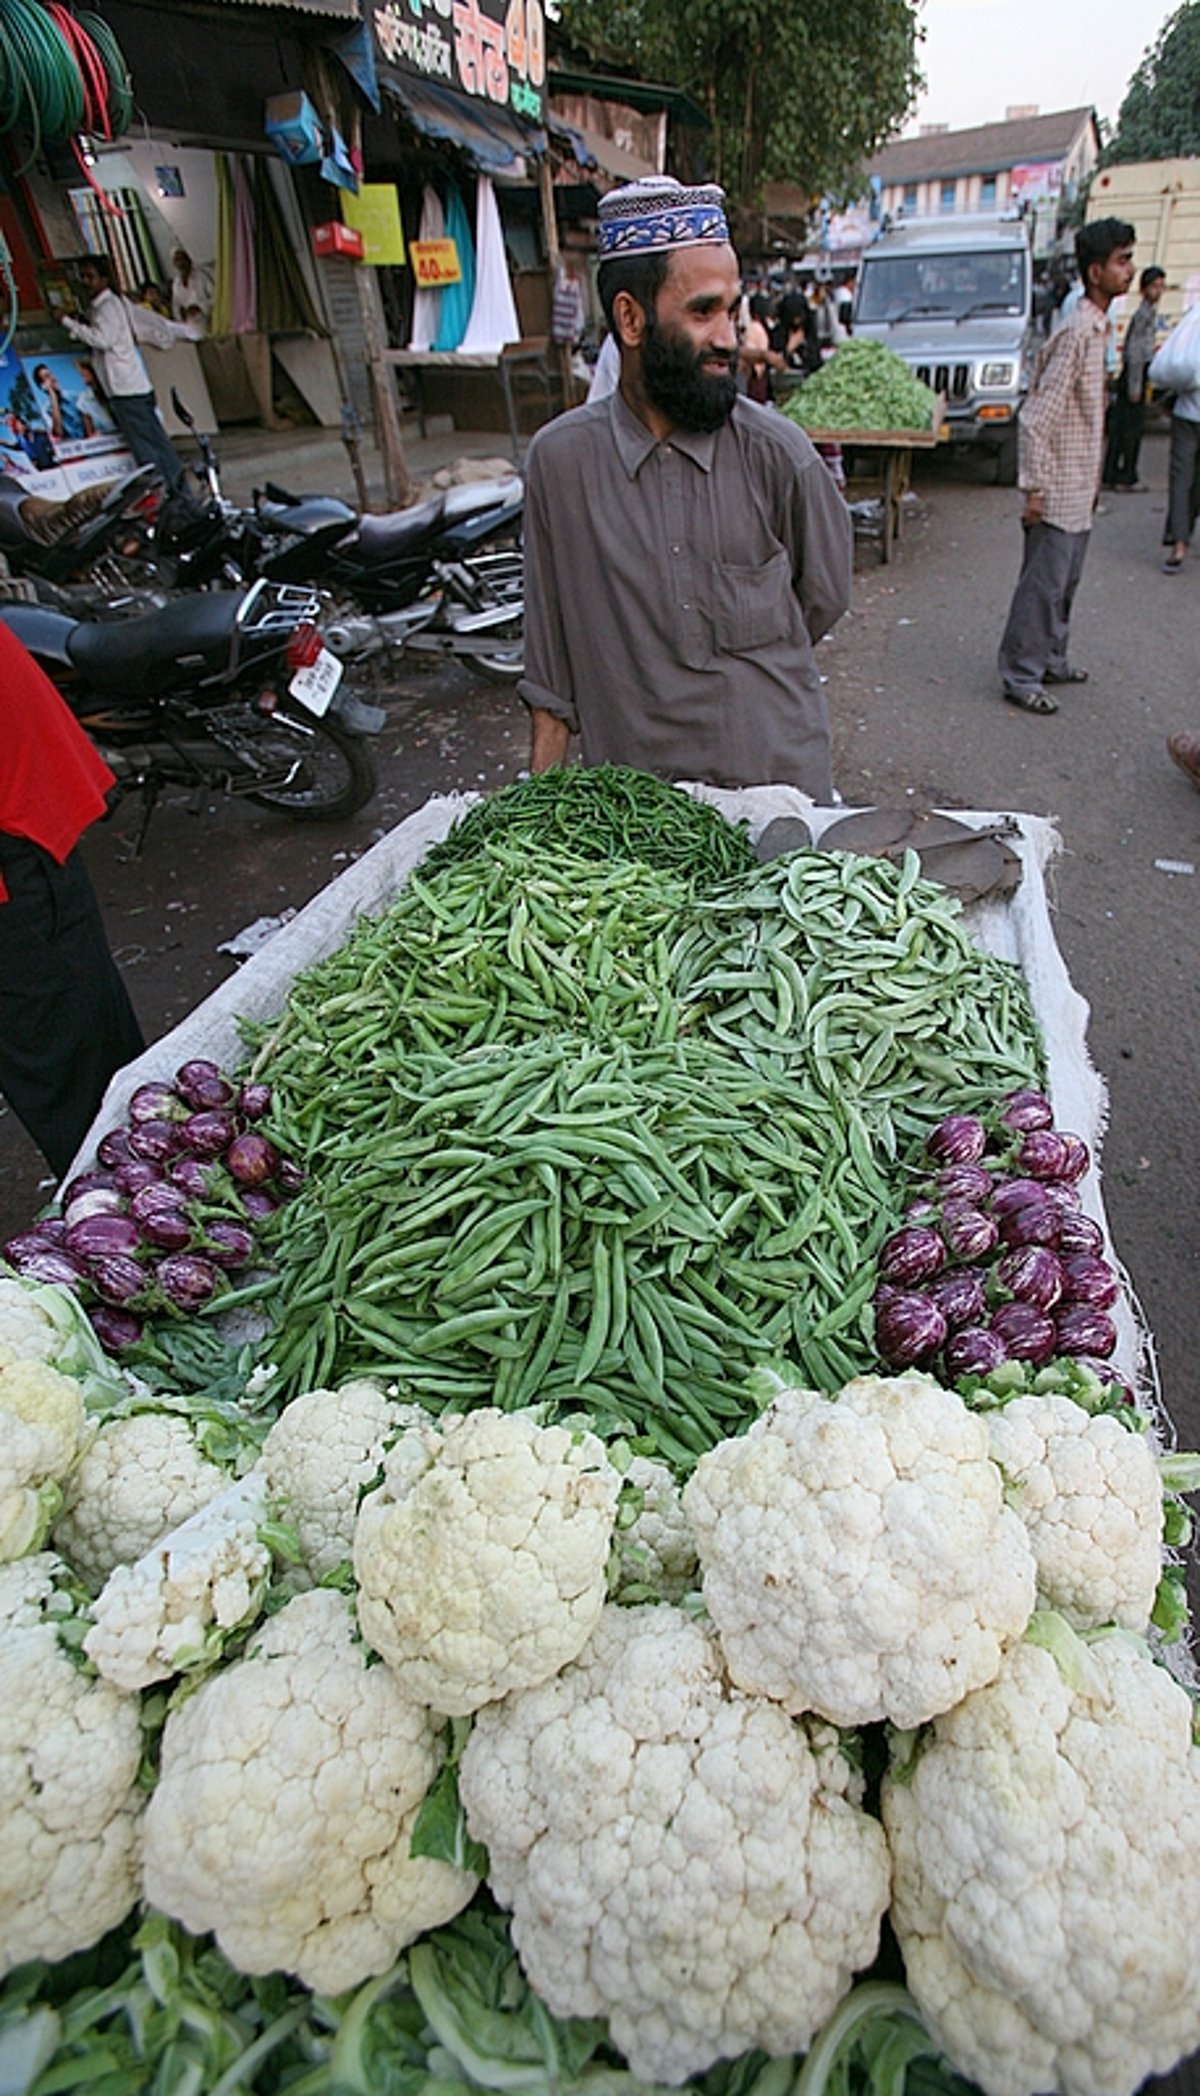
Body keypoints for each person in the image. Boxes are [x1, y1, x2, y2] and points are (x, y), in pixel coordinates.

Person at [518, 174, 853, 801]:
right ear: (630, 318)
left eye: (733, 310)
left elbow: (824, 595)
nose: (728, 337)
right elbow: (550, 677)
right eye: (703, 312)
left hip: (778, 797)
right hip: (639, 820)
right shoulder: (559, 465)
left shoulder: (780, 456)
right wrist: (528, 829)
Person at [0, 622, 145, 1181]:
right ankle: (125, 1184)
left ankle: (120, 1192)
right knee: (81, 1036)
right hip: (25, 837)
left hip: (19, 854)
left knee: (73, 1059)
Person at [995, 216, 1136, 716]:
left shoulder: (1100, 327)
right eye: (1122, 261)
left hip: (1079, 484)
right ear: (1095, 272)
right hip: (1055, 490)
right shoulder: (1077, 331)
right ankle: (1021, 674)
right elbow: (1036, 416)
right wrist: (1033, 487)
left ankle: (1051, 657)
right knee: (1043, 587)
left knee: (1065, 584)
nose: (1131, 270)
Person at [61, 255, 187, 492]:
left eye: (90, 276)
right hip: (125, 386)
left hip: (127, 388)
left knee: (150, 448)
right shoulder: (103, 306)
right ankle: (173, 493)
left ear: (104, 279)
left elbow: (103, 339)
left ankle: (172, 496)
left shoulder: (108, 307)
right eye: (83, 276)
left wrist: (69, 323)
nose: (86, 281)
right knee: (152, 444)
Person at [1102, 265, 1165, 492]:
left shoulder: (1147, 312)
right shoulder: (1144, 315)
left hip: (1135, 375)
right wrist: (1136, 385)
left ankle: (1112, 473)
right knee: (1131, 430)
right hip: (1134, 375)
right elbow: (1135, 352)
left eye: (1161, 287)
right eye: (1154, 286)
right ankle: (1126, 476)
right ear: (1145, 288)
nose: (1158, 292)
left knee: (1121, 429)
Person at [32, 362, 93, 442]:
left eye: (51, 374)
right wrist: (52, 395)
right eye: (47, 377)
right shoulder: (47, 410)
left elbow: (89, 421)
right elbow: (58, 432)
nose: (53, 378)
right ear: (43, 386)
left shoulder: (75, 397)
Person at [169, 247, 213, 335]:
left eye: (183, 258)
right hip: (188, 325)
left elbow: (216, 297)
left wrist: (199, 307)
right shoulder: (176, 283)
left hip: (207, 320)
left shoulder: (201, 277)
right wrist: (181, 315)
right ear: (174, 264)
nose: (181, 263)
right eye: (177, 260)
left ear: (189, 260)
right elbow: (176, 306)